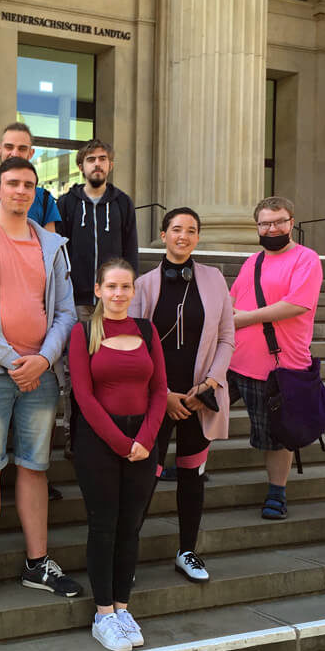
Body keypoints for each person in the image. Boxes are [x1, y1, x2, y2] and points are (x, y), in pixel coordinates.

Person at [0, 157, 81, 606]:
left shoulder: (52, 244)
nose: (21, 191)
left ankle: (37, 562)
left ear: (37, 192)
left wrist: (43, 359)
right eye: (13, 184)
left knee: (34, 466)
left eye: (29, 185)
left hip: (40, 375)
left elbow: (66, 311)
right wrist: (12, 360)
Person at [130, 208, 234, 583]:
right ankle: (128, 551)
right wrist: (166, 394)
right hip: (156, 399)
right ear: (163, 234)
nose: (183, 236)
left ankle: (187, 550)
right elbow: (134, 344)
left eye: (191, 230)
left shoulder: (214, 278)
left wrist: (210, 382)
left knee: (192, 475)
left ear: (197, 238)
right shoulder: (142, 285)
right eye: (176, 229)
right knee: (146, 475)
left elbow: (227, 336)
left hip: (198, 398)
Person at [69, 258, 167, 651]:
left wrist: (144, 439)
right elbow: (83, 395)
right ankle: (103, 614)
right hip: (99, 441)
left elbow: (160, 389)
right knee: (104, 525)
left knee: (131, 526)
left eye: (125, 287)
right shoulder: (83, 331)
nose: (118, 294)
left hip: (144, 440)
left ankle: (123, 608)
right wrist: (121, 443)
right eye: (111, 286)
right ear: (98, 290)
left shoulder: (146, 329)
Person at [227, 196, 323, 520]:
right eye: (265, 223)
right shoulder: (251, 262)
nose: (272, 228)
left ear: (291, 222)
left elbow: (296, 304)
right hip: (235, 361)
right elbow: (232, 300)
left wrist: (245, 318)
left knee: (276, 436)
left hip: (278, 365)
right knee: (198, 407)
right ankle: (189, 465)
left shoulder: (306, 259)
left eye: (279, 221)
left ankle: (277, 493)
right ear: (257, 226)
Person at [58, 139, 140, 322]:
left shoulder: (123, 202)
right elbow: (60, 251)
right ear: (81, 167)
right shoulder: (67, 203)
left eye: (102, 159)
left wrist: (128, 287)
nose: (97, 164)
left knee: (111, 348)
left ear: (110, 165)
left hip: (113, 297)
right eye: (91, 159)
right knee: (80, 348)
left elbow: (130, 248)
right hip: (76, 299)